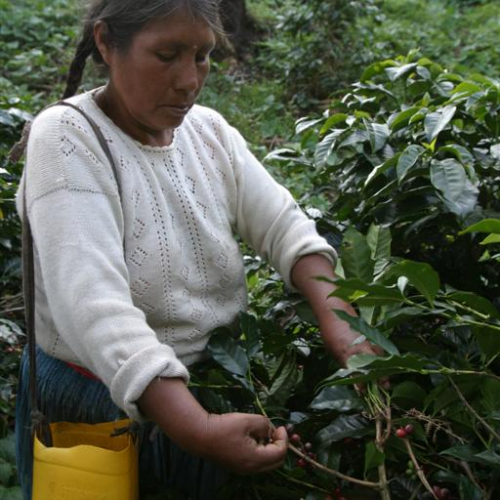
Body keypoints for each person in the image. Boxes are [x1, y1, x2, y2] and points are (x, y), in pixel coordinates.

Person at [15, 0, 381, 498]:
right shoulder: (66, 139)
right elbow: (93, 305)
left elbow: (283, 227)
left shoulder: (207, 132)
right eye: (166, 55)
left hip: (208, 387)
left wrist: (340, 320)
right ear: (106, 42)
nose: (189, 80)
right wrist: (196, 428)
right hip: (103, 405)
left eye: (203, 56)